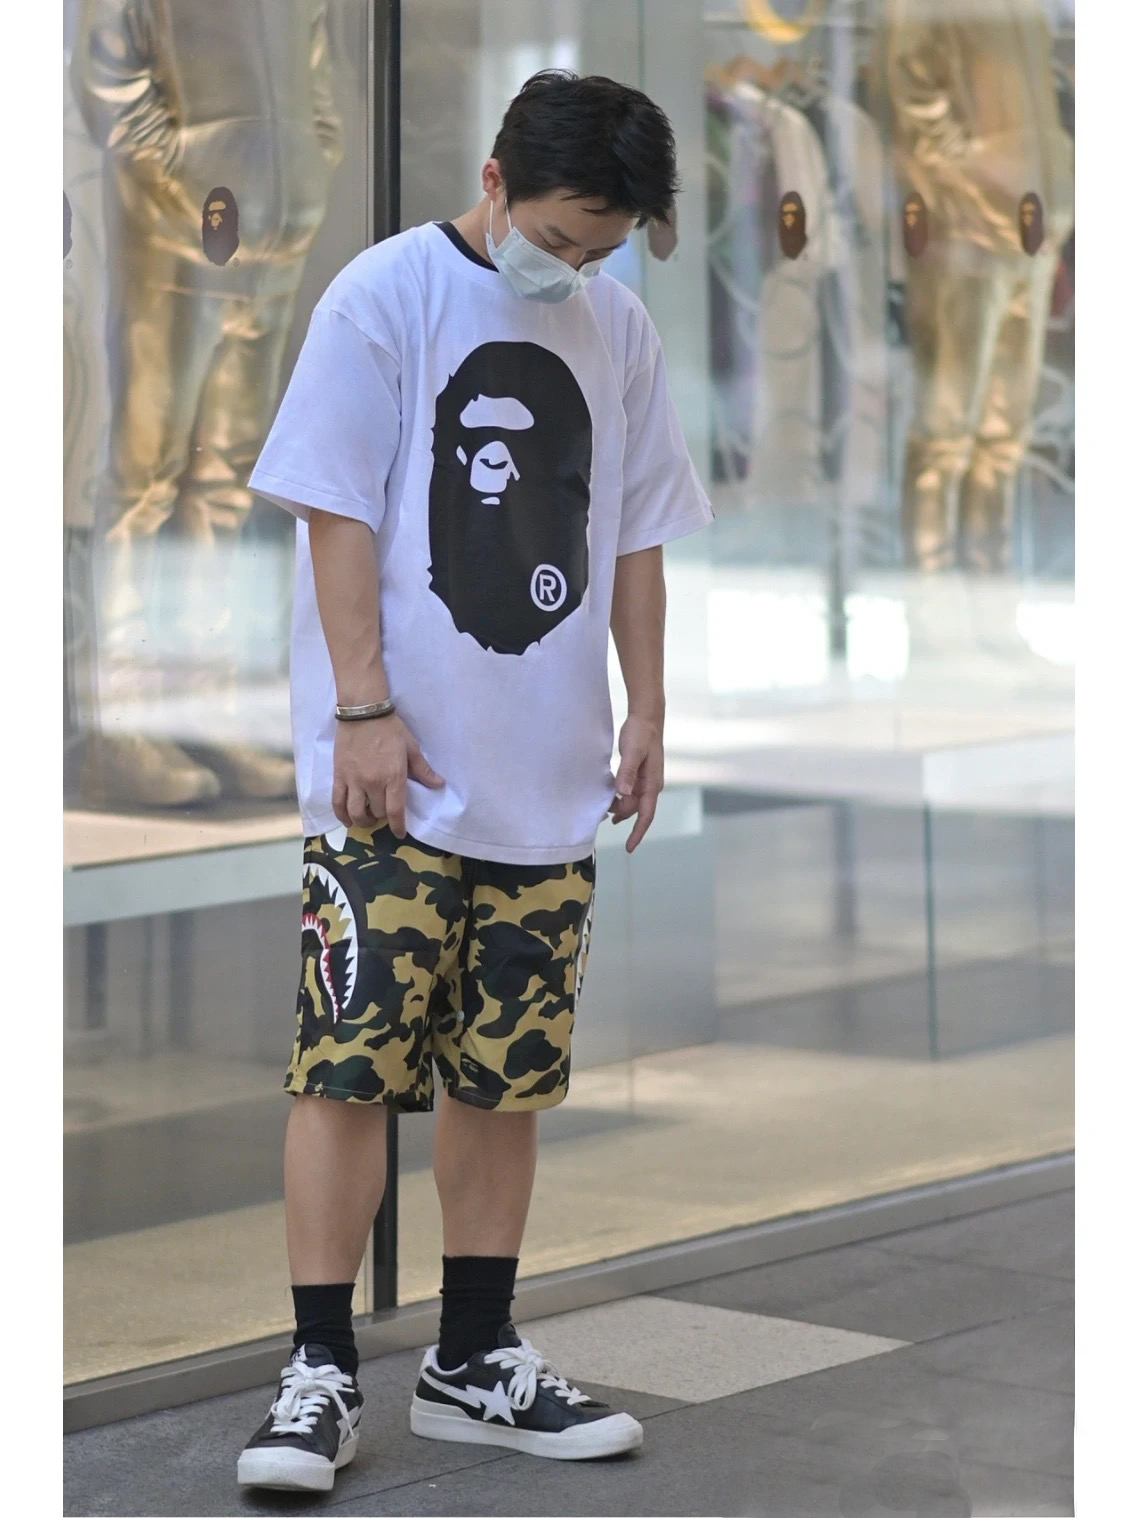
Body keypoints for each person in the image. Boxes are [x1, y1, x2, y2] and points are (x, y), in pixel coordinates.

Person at [237, 68, 714, 1494]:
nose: (572, 269)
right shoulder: (383, 298)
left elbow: (635, 532)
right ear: (496, 180)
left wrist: (645, 706)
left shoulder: (617, 329)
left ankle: (472, 1357)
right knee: (347, 1068)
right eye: (559, 238)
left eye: (600, 250)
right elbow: (332, 511)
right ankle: (319, 1369)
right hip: (390, 779)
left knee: (504, 1077)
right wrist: (362, 710)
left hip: (546, 778)